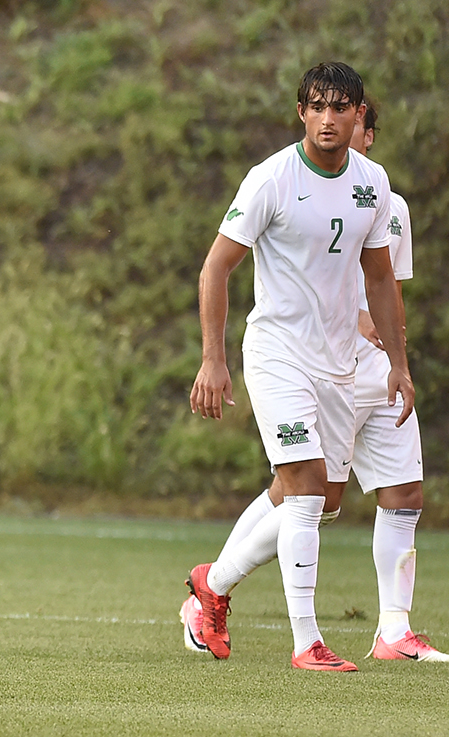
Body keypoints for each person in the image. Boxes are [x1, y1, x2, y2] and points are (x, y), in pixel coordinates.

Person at [182, 97, 441, 662]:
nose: (332, 121)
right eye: (319, 109)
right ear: (303, 113)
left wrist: (398, 361)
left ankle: (217, 584)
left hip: (346, 368)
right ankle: (307, 642)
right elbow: (222, 265)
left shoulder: (378, 191)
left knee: (330, 498)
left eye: (342, 111)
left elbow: (380, 281)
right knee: (303, 489)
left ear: (362, 120)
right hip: (280, 355)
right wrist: (213, 358)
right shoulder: (273, 178)